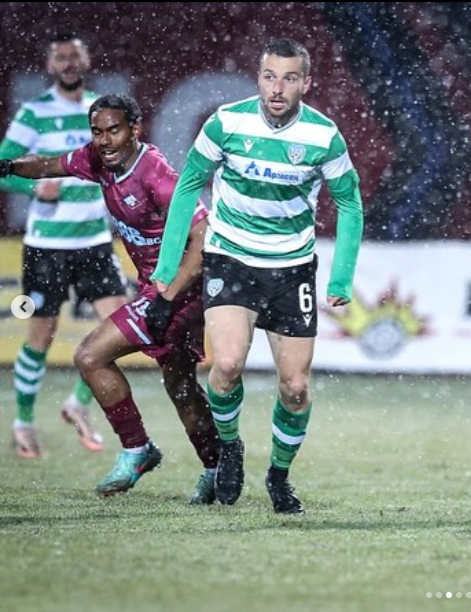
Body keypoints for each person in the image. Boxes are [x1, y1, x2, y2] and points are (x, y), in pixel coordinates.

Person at [150, 38, 364, 514]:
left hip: (291, 268)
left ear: (306, 83)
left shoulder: (324, 136)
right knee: (226, 366)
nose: (277, 88)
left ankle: (279, 476)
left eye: (289, 78)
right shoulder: (226, 122)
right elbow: (188, 184)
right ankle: (230, 448)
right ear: (259, 79)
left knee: (296, 388)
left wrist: (341, 279)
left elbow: (350, 203)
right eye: (269, 77)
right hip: (232, 258)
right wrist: (167, 267)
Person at [0, 94, 220, 503]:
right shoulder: (97, 159)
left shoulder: (157, 175)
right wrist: (9, 167)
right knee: (178, 386)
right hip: (155, 290)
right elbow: (48, 165)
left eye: (114, 130)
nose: (104, 140)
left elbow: (203, 240)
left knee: (96, 357)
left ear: (135, 130)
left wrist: (168, 298)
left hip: (180, 292)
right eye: (97, 131)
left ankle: (150, 452)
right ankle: (208, 465)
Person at [0, 32, 127, 459]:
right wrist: (32, 188)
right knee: (40, 335)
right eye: (60, 57)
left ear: (87, 60)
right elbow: (2, 168)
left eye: (75, 55)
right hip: (47, 247)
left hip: (94, 243)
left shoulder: (100, 112)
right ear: (50, 65)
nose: (68, 62)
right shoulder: (34, 112)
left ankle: (78, 403)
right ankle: (23, 423)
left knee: (121, 329)